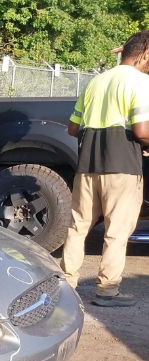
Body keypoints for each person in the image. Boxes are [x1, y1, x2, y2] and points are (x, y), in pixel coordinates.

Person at [62, 31, 149, 307]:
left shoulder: (96, 82)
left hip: (87, 166)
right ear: (144, 54)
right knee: (116, 231)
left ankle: (66, 284)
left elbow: (73, 127)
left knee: (77, 227)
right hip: (122, 166)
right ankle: (107, 291)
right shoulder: (140, 82)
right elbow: (142, 130)